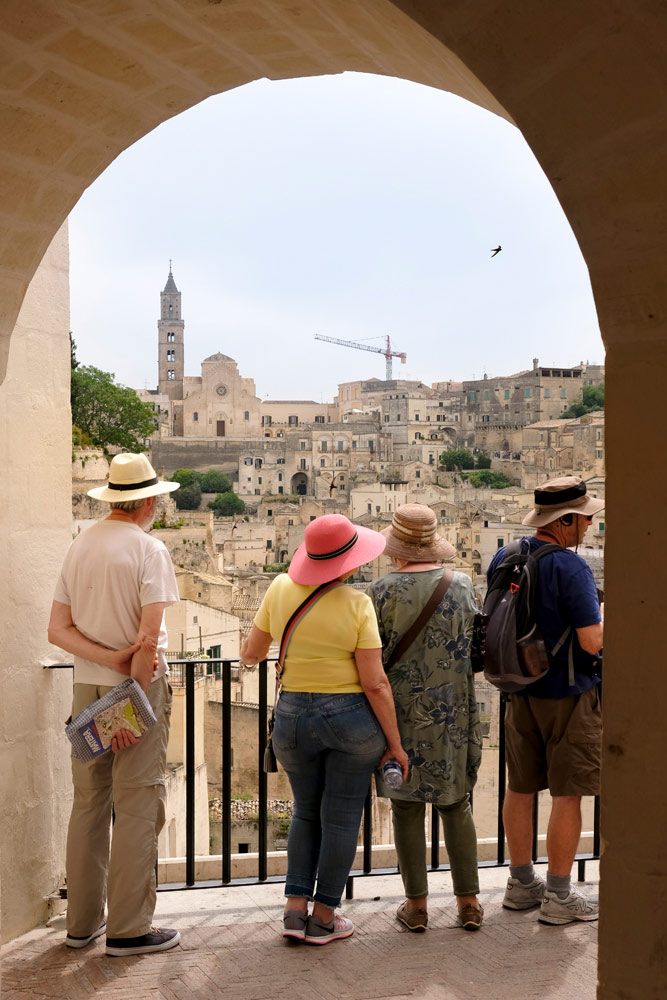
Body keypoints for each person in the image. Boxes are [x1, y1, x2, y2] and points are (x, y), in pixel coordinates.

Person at [240, 514, 408, 946]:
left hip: (293, 716)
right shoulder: (358, 604)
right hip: (349, 719)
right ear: (350, 561)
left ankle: (294, 913)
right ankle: (325, 917)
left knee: (305, 812)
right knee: (341, 820)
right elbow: (374, 682)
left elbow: (251, 654)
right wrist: (395, 744)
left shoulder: (279, 589)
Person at [47, 453, 182, 956]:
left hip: (86, 691)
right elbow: (148, 641)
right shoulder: (150, 550)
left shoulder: (79, 546)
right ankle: (129, 928)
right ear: (147, 500)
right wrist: (130, 700)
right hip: (137, 691)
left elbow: (56, 630)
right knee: (137, 805)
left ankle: (81, 924)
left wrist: (105, 661)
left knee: (88, 805)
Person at [487, 476, 604, 925]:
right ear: (567, 520)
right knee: (568, 794)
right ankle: (558, 896)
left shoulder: (506, 554)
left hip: (518, 689)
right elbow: (591, 643)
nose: (591, 524)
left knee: (519, 788)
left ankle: (520, 885)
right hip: (567, 693)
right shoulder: (570, 567)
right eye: (587, 517)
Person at [367, 504, 484, 933]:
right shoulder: (463, 585)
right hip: (452, 712)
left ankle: (416, 907)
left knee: (406, 808)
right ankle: (469, 903)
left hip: (397, 718)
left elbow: (370, 658)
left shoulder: (377, 592)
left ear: (395, 549)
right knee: (457, 806)